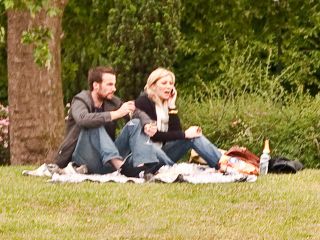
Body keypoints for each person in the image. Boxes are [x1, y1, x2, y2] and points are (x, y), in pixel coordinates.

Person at [54, 66, 164, 176]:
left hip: (106, 160)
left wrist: (147, 124)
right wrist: (116, 114)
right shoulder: (80, 100)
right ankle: (122, 167)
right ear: (96, 85)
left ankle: (143, 167)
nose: (114, 89)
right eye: (110, 84)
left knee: (135, 124)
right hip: (83, 158)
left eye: (114, 84)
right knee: (94, 123)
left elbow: (136, 112)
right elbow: (83, 119)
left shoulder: (112, 101)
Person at [135, 67, 222, 169]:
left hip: (163, 153)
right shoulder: (143, 102)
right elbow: (154, 135)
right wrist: (185, 134)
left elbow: (176, 134)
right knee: (189, 136)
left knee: (193, 137)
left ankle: (222, 163)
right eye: (164, 83)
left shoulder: (165, 104)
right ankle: (224, 163)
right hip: (148, 157)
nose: (169, 86)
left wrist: (172, 107)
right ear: (153, 85)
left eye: (171, 83)